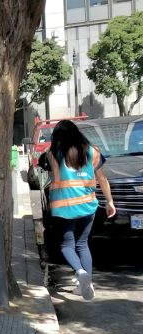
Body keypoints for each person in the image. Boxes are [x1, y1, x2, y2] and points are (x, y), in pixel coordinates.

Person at [39, 120, 116, 300]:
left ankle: (80, 272)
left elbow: (43, 167)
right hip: (88, 205)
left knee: (67, 245)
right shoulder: (92, 152)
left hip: (64, 207)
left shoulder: (52, 154)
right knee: (82, 243)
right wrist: (110, 201)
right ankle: (86, 285)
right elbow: (102, 179)